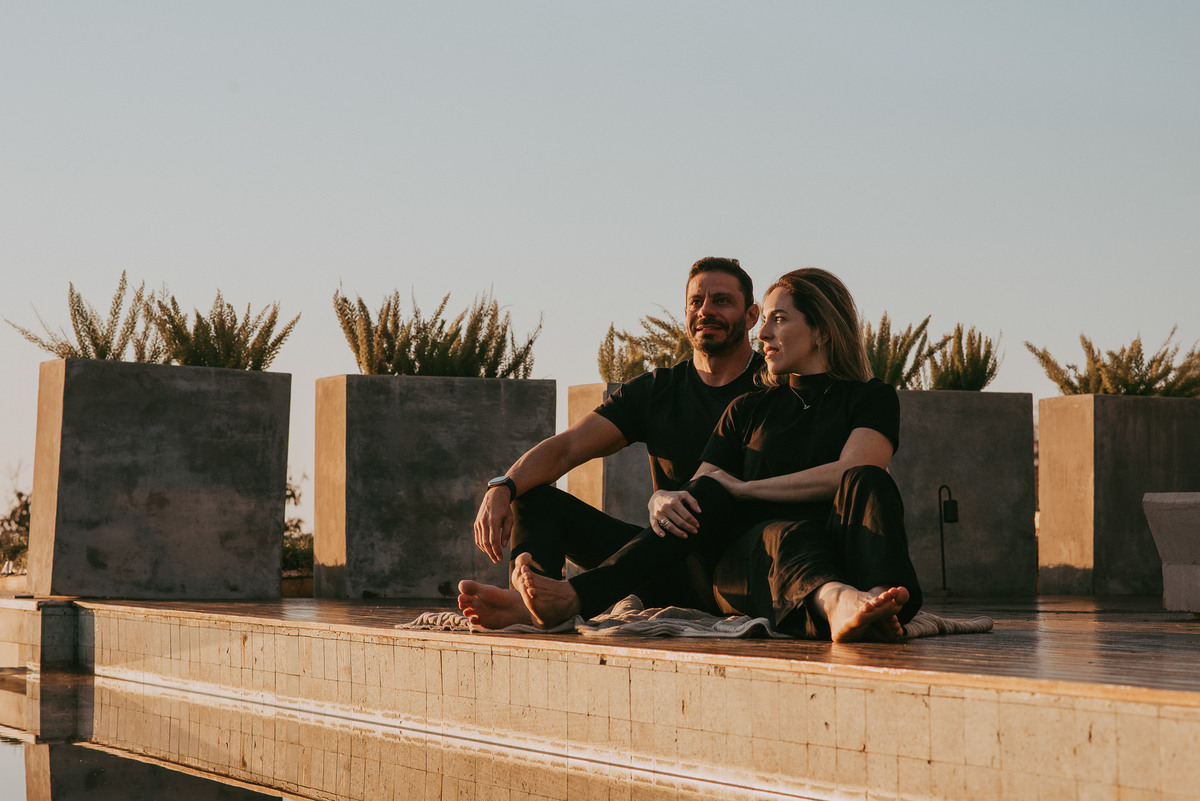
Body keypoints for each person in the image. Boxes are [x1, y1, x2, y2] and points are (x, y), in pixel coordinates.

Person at [512, 268, 923, 642]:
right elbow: (701, 490)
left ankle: (878, 597)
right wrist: (662, 498)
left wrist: (746, 489)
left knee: (868, 480)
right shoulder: (747, 407)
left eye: (778, 319)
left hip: (840, 545)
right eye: (765, 321)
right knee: (770, 526)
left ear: (822, 330)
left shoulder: (872, 397)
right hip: (750, 561)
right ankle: (842, 604)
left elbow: (855, 468)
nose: (763, 334)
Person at [458, 257, 764, 628]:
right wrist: (502, 486)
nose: (706, 311)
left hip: (742, 567)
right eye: (697, 302)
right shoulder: (657, 390)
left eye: (722, 301)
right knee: (533, 494)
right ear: (684, 312)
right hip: (661, 561)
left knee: (707, 496)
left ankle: (568, 599)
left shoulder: (773, 387)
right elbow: (568, 447)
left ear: (751, 316)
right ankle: (534, 595)